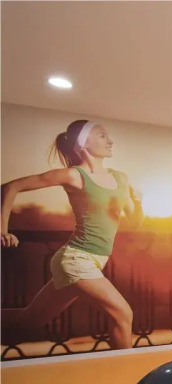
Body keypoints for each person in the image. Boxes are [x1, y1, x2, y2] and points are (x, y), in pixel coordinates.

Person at [1, 119, 144, 350]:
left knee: (27, 321)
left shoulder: (120, 178)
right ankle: (128, 369)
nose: (110, 141)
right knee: (123, 313)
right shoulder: (74, 175)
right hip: (76, 260)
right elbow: (10, 187)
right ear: (84, 143)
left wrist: (138, 203)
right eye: (102, 136)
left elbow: (135, 223)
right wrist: (2, 230)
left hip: (95, 260)